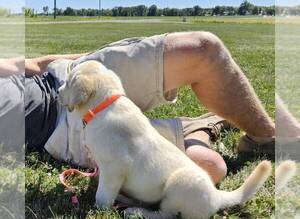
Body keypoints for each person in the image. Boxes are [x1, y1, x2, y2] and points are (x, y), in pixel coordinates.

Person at [1, 31, 276, 184]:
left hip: (65, 78)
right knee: (208, 168)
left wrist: (91, 61)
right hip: (61, 132)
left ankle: (268, 139)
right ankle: (198, 125)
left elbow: (33, 65)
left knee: (201, 50)